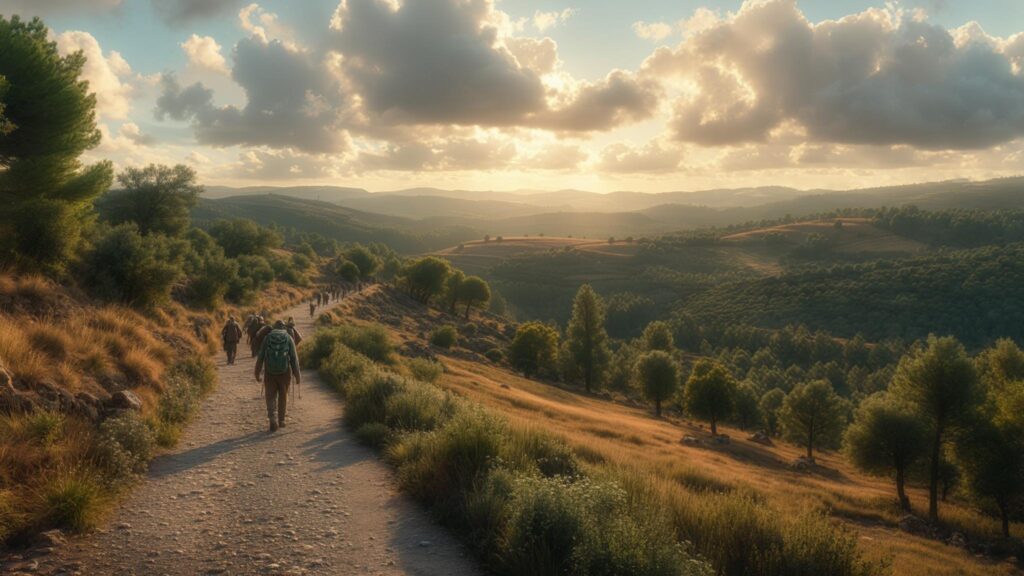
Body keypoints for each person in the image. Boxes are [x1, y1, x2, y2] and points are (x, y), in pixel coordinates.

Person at [254, 320, 301, 432]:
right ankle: (281, 420)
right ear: (284, 327)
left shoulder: (268, 338)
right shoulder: (288, 338)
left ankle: (272, 418)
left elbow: (261, 356)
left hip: (270, 372)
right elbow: (294, 358)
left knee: (270, 396)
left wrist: (257, 372)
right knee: (283, 395)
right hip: (285, 373)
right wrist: (297, 375)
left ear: (274, 327)